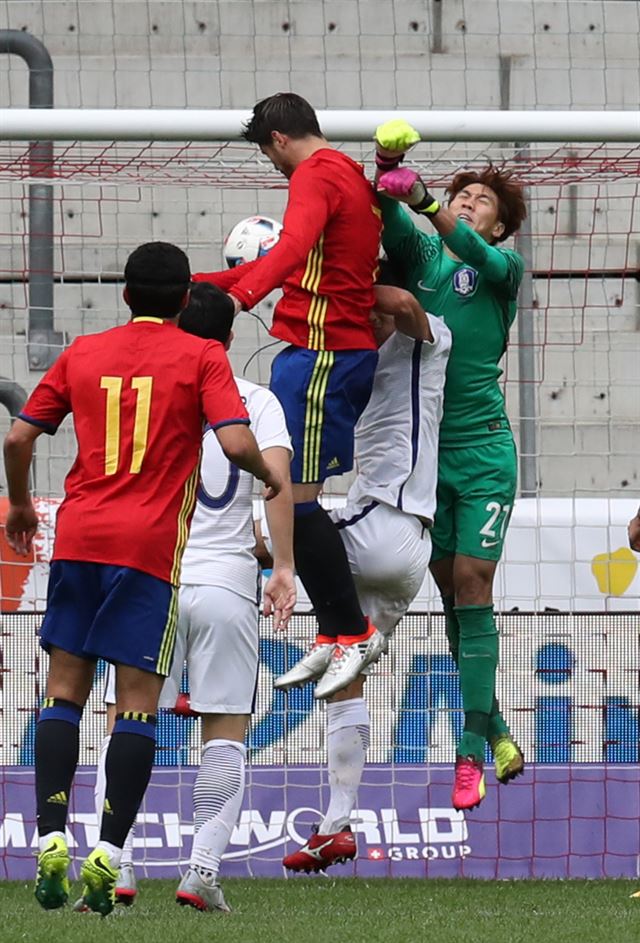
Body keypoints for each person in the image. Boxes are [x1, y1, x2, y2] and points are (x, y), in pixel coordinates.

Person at [2, 243, 282, 916]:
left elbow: (17, 439)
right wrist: (272, 480)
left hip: (79, 539)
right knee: (135, 703)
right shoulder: (201, 356)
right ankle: (107, 850)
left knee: (64, 692)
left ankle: (48, 836)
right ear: (186, 300)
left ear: (123, 295)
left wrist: (18, 504)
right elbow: (239, 444)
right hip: (148, 552)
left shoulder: (82, 352)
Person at [90, 283, 296, 914]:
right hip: (227, 583)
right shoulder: (257, 402)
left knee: (128, 720)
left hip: (152, 577)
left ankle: (114, 863)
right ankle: (201, 870)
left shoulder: (151, 393)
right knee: (225, 732)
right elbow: (279, 484)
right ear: (232, 341)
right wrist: (282, 566)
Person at [193, 92, 387, 699]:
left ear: (278, 140)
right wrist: (199, 283)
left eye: (269, 157)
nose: (276, 170)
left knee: (292, 501)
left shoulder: (315, 175)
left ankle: (351, 630)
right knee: (296, 499)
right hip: (324, 350)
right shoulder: (348, 175)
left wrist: (238, 298)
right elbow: (291, 256)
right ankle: (334, 631)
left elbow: (292, 246)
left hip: (323, 352)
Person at [258, 276, 452, 870]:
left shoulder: (424, 337)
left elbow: (399, 304)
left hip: (387, 518)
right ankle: (338, 825)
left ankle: (197, 675)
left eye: (366, 312)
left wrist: (339, 282)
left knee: (270, 531)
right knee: (346, 675)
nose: (365, 321)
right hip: (401, 550)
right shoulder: (358, 359)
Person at [372, 120, 528, 811]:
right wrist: (386, 171)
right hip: (424, 455)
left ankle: (467, 751)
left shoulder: (500, 269)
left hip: (486, 451)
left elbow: (454, 235)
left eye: (481, 201)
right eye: (463, 192)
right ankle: (492, 724)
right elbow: (392, 222)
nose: (468, 203)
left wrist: (431, 197)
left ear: (499, 228)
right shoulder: (423, 257)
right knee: (452, 601)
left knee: (474, 582)